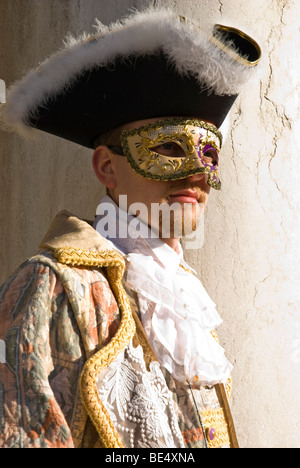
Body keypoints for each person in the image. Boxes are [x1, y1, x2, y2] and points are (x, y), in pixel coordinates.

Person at [0, 7, 261, 448]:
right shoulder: (55, 285)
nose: (197, 174)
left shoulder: (182, 299)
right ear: (107, 166)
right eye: (168, 147)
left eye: (209, 157)